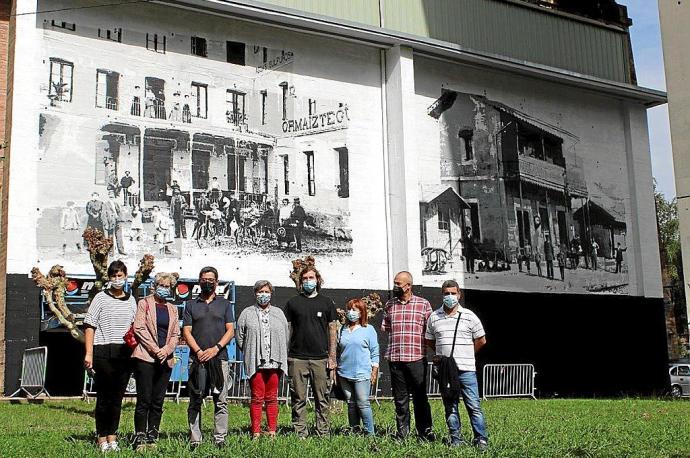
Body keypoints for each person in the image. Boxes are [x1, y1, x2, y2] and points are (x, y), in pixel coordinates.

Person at [425, 280, 488, 450]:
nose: (450, 297)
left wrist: (466, 353)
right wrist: (443, 357)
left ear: (459, 294)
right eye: (447, 293)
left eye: (453, 293)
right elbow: (430, 340)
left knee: (473, 405)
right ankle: (455, 439)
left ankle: (481, 439)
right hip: (446, 371)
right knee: (450, 405)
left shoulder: (469, 315)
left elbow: (481, 340)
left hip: (466, 370)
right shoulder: (434, 317)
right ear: (442, 295)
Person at [83, 260, 137, 453]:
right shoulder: (100, 298)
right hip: (103, 350)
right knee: (104, 396)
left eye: (120, 275)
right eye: (113, 275)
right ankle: (101, 436)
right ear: (109, 277)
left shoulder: (131, 300)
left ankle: (113, 436)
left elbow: (135, 327)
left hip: (124, 352)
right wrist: (89, 353)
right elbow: (90, 325)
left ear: (125, 276)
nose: (117, 279)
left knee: (117, 397)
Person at [182, 267, 235, 449]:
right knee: (195, 399)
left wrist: (216, 348)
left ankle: (220, 438)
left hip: (220, 358)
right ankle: (195, 439)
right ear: (199, 281)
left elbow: (230, 330)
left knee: (220, 400)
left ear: (216, 282)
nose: (207, 282)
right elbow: (186, 331)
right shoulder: (190, 305)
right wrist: (198, 351)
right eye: (204, 279)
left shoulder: (225, 305)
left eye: (211, 280)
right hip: (196, 359)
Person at [285, 266, 338, 438]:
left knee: (322, 399)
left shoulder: (327, 303)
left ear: (318, 280)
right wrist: (286, 356)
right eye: (305, 278)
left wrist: (332, 358)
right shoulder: (292, 303)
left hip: (321, 359)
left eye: (311, 278)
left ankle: (323, 432)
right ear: (301, 282)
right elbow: (288, 329)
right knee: (298, 398)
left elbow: (332, 330)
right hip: (297, 358)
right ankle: (300, 433)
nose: (309, 281)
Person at [382, 271, 434, 440]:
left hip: (416, 358)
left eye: (398, 284)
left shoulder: (423, 304)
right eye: (395, 283)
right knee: (400, 400)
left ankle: (425, 432)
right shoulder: (389, 305)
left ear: (408, 286)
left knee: (420, 398)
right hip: (396, 359)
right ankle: (402, 434)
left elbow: (430, 330)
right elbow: (387, 328)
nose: (395, 286)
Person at [131, 272, 181, 450]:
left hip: (165, 359)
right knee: (144, 399)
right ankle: (140, 437)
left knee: (158, 401)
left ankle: (152, 436)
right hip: (146, 357)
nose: (164, 289)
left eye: (168, 286)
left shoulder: (173, 308)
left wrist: (166, 350)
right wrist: (155, 349)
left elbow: (176, 333)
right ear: (154, 286)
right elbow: (139, 327)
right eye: (162, 285)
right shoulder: (144, 303)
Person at [236, 280, 289, 439]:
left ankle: (272, 431)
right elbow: (240, 336)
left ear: (271, 293)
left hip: (275, 362)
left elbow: (285, 335)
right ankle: (256, 432)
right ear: (255, 293)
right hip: (256, 362)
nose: (263, 295)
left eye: (266, 292)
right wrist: (249, 351)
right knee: (257, 397)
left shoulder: (279, 313)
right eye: (260, 292)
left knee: (272, 397)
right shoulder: (246, 313)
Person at [336, 298, 379, 436]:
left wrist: (374, 371)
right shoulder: (342, 329)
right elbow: (337, 350)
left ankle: (369, 433)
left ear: (362, 312)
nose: (351, 312)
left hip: (362, 373)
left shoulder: (369, 329)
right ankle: (354, 431)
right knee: (351, 403)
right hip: (344, 373)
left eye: (355, 309)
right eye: (349, 309)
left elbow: (375, 352)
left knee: (363, 403)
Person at [104, 190, 127, 256]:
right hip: (110, 222)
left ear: (114, 196)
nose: (111, 197)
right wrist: (106, 223)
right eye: (110, 196)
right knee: (110, 237)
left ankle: (121, 250)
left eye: (112, 196)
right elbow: (104, 215)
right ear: (108, 196)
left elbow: (120, 212)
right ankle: (111, 252)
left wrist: (122, 219)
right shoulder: (105, 204)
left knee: (119, 236)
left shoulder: (117, 203)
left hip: (118, 222)